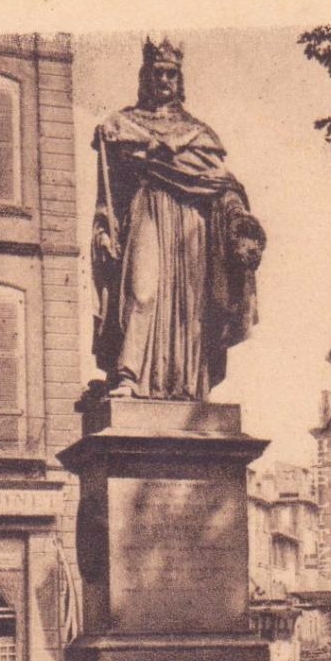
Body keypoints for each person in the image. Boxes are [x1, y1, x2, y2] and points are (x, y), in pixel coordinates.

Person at [89, 38, 266, 401]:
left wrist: (238, 221)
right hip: (148, 209)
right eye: (157, 73)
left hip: (191, 222)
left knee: (191, 304)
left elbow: (223, 185)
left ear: (180, 79)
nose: (164, 80)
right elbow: (108, 195)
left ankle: (189, 385)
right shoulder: (123, 125)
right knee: (142, 290)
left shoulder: (199, 133)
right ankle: (128, 376)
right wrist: (104, 228)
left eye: (171, 73)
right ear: (146, 77)